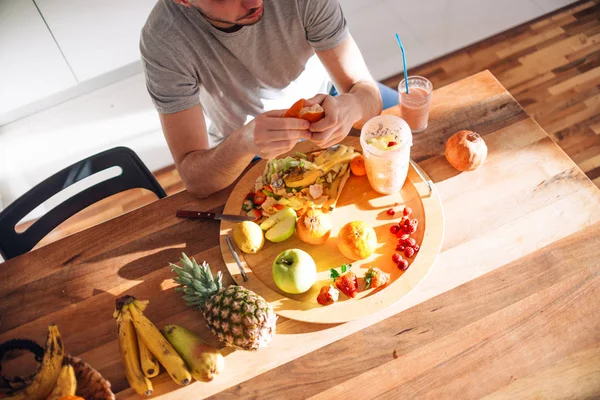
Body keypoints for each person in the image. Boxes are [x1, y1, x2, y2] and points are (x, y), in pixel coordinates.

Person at [141, 0, 396, 198]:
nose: (254, 3)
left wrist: (351, 106)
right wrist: (243, 143)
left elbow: (367, 94)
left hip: (329, 104)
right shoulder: (163, 41)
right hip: (242, 149)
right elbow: (195, 180)